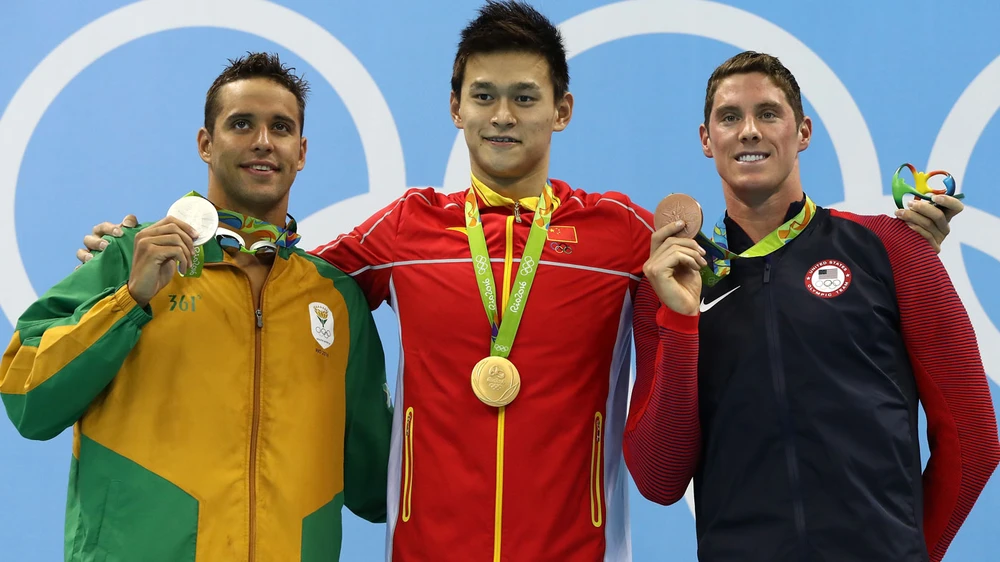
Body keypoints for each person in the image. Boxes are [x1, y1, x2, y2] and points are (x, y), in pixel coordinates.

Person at [73, 4, 962, 561]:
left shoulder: (620, 233)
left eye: (526, 97)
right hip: (430, 547)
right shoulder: (401, 231)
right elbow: (280, 282)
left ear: (562, 111)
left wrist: (891, 236)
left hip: (572, 546)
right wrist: (127, 254)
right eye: (486, 95)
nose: (505, 115)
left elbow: (763, 248)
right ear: (455, 107)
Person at [1, 53, 392, 562]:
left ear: (302, 151)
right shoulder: (131, 257)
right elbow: (27, 400)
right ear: (205, 144)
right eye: (241, 124)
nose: (262, 141)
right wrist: (129, 301)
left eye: (281, 127)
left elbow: (378, 487)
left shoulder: (333, 300)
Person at [624, 50, 1000, 562]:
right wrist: (680, 321)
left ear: (803, 132)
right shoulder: (674, 280)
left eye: (769, 113)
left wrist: (908, 553)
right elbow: (658, 478)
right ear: (706, 140)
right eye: (730, 117)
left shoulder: (892, 247)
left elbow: (973, 435)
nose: (749, 131)